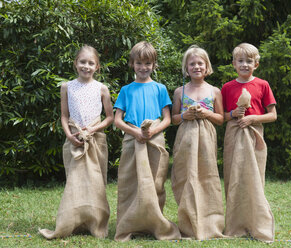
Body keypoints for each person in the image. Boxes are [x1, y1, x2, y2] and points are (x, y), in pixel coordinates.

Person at [39, 45, 113, 239]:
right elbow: (64, 116)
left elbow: (109, 118)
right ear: (75, 63)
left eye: (91, 63)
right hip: (74, 140)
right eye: (82, 62)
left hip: (95, 140)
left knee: (96, 182)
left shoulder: (102, 88)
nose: (86, 66)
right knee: (75, 182)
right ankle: (71, 222)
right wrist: (69, 135)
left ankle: (96, 223)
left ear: (97, 66)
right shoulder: (67, 87)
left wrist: (93, 129)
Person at [113, 41, 181, 242]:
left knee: (155, 182)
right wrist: (135, 133)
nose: (143, 67)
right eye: (139, 63)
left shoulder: (160, 89)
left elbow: (167, 118)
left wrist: (152, 131)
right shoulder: (126, 90)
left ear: (154, 65)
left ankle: (153, 223)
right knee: (130, 182)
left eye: (148, 63)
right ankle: (128, 224)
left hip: (155, 139)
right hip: (132, 138)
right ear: (132, 64)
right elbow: (117, 120)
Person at [221, 43, 277, 242]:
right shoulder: (227, 87)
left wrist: (253, 119)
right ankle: (235, 223)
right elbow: (221, 117)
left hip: (254, 134)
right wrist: (233, 114)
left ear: (256, 64)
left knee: (254, 177)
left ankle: (256, 222)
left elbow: (273, 115)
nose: (245, 65)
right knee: (234, 177)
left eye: (249, 61)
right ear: (234, 63)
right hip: (234, 133)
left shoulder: (262, 85)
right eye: (241, 61)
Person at [171, 45, 225, 240]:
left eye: (200, 63)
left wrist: (208, 113)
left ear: (207, 66)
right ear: (186, 67)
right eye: (192, 63)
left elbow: (220, 119)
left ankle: (211, 222)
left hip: (207, 139)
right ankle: (188, 223)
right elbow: (173, 119)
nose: (196, 67)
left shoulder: (214, 91)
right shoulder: (180, 91)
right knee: (186, 177)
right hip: (186, 138)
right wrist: (185, 115)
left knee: (206, 177)